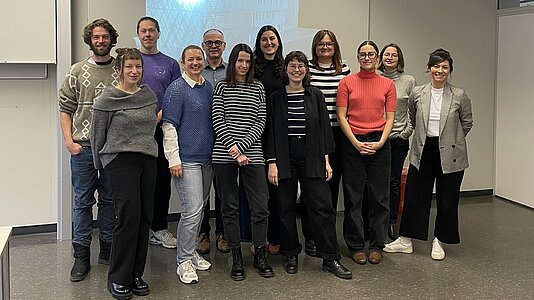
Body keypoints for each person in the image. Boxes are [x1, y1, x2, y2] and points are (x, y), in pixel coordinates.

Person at [265, 51, 352, 279]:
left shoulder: (315, 95)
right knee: (284, 208)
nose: (296, 70)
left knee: (321, 207)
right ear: (286, 70)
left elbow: (324, 129)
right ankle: (291, 253)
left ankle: (330, 258)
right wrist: (272, 162)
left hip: (312, 154)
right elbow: (270, 133)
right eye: (292, 66)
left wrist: (326, 160)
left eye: (300, 66)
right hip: (284, 155)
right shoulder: (275, 98)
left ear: (306, 70)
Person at [384, 48, 473, 261]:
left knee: (447, 199)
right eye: (436, 66)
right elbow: (413, 120)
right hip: (422, 150)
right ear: (429, 68)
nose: (439, 71)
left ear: (450, 70)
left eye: (444, 67)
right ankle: (406, 240)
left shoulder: (459, 95)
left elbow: (467, 123)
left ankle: (439, 240)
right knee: (415, 196)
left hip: (450, 153)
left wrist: (453, 139)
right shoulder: (418, 93)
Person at [91, 48, 158, 300]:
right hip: (119, 161)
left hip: (147, 160)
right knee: (128, 218)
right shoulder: (108, 99)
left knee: (144, 219)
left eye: (138, 67)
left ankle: (135, 275)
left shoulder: (148, 95)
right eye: (129, 66)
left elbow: (151, 126)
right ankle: (118, 277)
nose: (134, 71)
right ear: (119, 69)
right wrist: (101, 164)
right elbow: (98, 134)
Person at [58, 18, 118, 282]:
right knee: (83, 203)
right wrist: (69, 141)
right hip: (82, 148)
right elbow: (65, 109)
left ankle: (107, 250)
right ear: (89, 40)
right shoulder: (76, 71)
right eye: (96, 37)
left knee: (109, 201)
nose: (101, 41)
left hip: (112, 149)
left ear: (111, 39)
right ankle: (81, 257)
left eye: (105, 36)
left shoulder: (122, 69)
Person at [212, 43, 273, 281]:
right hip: (224, 154)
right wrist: (233, 150)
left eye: (248, 61)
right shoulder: (221, 86)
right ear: (233, 62)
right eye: (240, 61)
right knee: (229, 208)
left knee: (260, 207)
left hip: (253, 154)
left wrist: (243, 147)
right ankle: (236, 255)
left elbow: (261, 121)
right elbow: (218, 119)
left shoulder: (258, 87)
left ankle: (260, 253)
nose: (244, 65)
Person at [337, 40, 396, 265]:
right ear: (358, 57)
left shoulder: (387, 84)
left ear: (378, 58)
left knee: (379, 197)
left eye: (371, 54)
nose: (367, 58)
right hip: (352, 143)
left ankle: (377, 244)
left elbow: (390, 116)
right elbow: (342, 116)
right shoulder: (347, 82)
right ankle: (355, 245)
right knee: (354, 197)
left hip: (380, 143)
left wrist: (381, 142)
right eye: (363, 54)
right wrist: (354, 141)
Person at [162, 45, 214, 284]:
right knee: (191, 212)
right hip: (187, 161)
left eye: (198, 59)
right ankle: (183, 261)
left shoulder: (208, 88)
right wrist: (174, 159)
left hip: (207, 159)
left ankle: (191, 252)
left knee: (200, 209)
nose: (195, 62)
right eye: (190, 59)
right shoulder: (176, 89)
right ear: (182, 63)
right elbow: (169, 125)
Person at [301, 29, 351, 257]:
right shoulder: (307, 69)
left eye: (329, 43)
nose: (325, 47)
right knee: (314, 188)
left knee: (332, 187)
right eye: (320, 43)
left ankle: (328, 236)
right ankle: (311, 236)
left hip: (340, 133)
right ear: (314, 46)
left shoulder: (345, 69)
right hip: (314, 134)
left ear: (335, 46)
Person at [136, 16, 181, 249]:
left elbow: (174, 96)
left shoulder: (171, 63)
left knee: (162, 180)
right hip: (135, 131)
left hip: (161, 129)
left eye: (151, 30)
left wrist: (161, 115)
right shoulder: (130, 61)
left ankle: (160, 228)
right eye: (143, 31)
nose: (147, 35)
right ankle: (140, 229)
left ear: (158, 33)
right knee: (138, 180)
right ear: (138, 34)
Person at [252, 25, 286, 255]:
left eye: (272, 38)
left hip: (280, 133)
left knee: (278, 190)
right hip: (256, 133)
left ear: (278, 41)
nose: (268, 43)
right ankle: (257, 239)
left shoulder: (286, 67)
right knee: (257, 190)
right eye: (264, 39)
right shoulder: (252, 67)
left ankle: (276, 236)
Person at [378, 43, 416, 240]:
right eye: (386, 54)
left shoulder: (408, 81)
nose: (390, 58)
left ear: (399, 59)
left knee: (393, 182)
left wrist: (405, 133)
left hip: (397, 140)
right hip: (376, 139)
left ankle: (391, 221)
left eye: (394, 55)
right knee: (375, 182)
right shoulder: (375, 78)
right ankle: (374, 222)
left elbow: (413, 111)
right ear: (381, 58)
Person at [196, 28, 229, 254]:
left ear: (224, 46)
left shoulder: (233, 72)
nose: (214, 46)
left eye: (218, 42)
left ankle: (223, 233)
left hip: (227, 138)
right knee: (203, 191)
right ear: (203, 46)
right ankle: (203, 233)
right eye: (209, 43)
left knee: (225, 189)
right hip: (203, 137)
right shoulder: (197, 72)